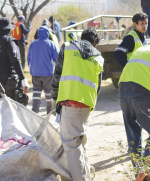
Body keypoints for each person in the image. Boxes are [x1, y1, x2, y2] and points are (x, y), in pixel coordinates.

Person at [52, 28, 103, 181]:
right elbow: (98, 86)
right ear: (94, 42)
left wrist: (57, 101)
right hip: (86, 106)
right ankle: (86, 176)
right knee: (80, 144)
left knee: (72, 148)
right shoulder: (98, 57)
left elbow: (57, 75)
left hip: (69, 104)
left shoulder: (67, 47)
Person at [0, 17, 29, 105]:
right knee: (9, 108)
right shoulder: (9, 41)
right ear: (9, 29)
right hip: (8, 82)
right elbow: (15, 61)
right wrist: (23, 79)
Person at [28, 26, 59, 114]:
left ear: (38, 34)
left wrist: (31, 70)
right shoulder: (51, 44)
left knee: (36, 93)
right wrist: (55, 70)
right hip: (48, 73)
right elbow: (57, 58)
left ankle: (35, 111)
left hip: (35, 73)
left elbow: (29, 59)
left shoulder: (32, 44)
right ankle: (50, 111)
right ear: (47, 33)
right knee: (49, 93)